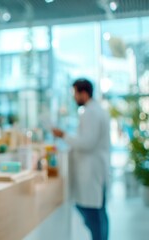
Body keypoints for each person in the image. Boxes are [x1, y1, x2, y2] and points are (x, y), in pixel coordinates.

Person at [52, 78, 110, 240]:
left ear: (83, 93)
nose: (74, 98)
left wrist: (63, 135)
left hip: (92, 171)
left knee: (93, 215)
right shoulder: (95, 110)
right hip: (96, 170)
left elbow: (87, 143)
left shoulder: (90, 112)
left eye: (75, 93)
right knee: (98, 214)